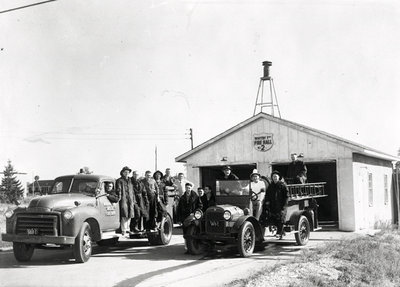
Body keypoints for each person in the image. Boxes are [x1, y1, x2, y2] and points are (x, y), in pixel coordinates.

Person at [262, 170, 289, 239]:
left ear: (278, 177)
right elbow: (267, 195)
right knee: (272, 217)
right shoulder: (271, 186)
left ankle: (279, 232)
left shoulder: (282, 185)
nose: (275, 178)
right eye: (273, 176)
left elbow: (286, 196)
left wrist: (284, 206)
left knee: (280, 218)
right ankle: (280, 231)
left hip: (281, 205)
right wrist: (267, 201)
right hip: (273, 205)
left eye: (276, 176)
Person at [116, 166, 136, 236]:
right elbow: (118, 190)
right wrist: (120, 197)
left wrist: (133, 199)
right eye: (125, 172)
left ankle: (128, 229)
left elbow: (133, 190)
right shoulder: (119, 180)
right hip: (123, 198)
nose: (126, 173)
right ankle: (123, 229)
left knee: (130, 214)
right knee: (124, 214)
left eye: (128, 172)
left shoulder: (130, 180)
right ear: (122, 173)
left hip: (130, 199)